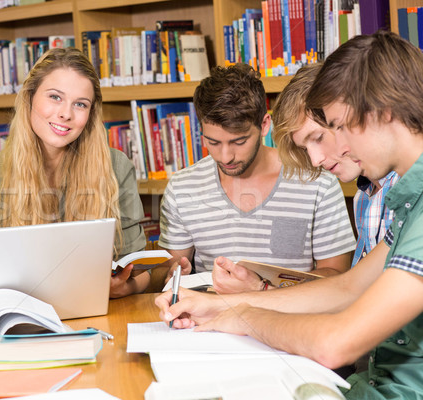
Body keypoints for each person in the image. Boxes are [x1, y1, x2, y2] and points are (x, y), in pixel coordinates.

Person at [156, 31, 423, 399]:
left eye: (340, 127)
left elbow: (336, 343)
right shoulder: (410, 203)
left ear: (382, 111)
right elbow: (348, 288)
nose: (333, 150)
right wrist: (217, 304)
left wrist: (246, 317)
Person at [154, 63, 355, 293]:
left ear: (264, 125)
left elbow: (336, 277)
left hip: (290, 320)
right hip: (210, 321)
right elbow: (168, 271)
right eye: (213, 142)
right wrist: (171, 273)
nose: (225, 156)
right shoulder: (182, 187)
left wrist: (260, 289)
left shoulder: (318, 180)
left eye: (239, 141)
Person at [0, 48, 147, 299]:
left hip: (96, 311)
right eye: (55, 97)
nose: (66, 114)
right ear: (29, 97)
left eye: (80, 104)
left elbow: (140, 270)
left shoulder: (116, 166)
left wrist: (123, 288)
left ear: (91, 113)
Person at [272, 63, 399, 268]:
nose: (315, 161)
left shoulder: (407, 190)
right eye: (305, 149)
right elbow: (357, 287)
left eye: (318, 138)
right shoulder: (363, 198)